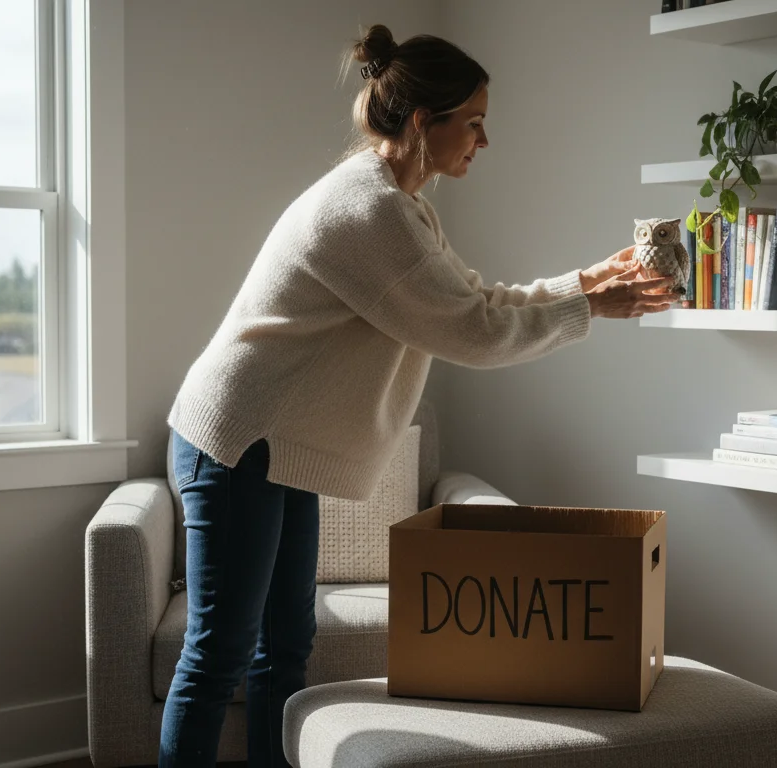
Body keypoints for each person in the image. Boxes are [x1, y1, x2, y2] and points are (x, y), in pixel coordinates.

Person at [157, 23, 673, 768]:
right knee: (220, 656)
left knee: (284, 648)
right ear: (426, 122)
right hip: (238, 439)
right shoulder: (370, 212)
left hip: (280, 446)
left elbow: (477, 299)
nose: (485, 142)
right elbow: (473, 332)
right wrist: (593, 308)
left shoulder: (403, 201)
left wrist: (586, 282)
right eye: (475, 123)